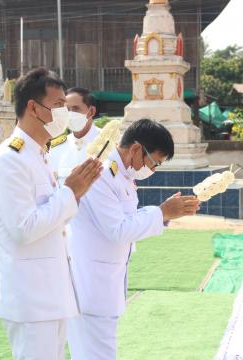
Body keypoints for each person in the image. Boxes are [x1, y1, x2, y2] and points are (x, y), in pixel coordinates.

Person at [0, 67, 103, 360]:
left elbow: (54, 220)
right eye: (58, 105)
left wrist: (73, 193)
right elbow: (24, 229)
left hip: (50, 293)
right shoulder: (9, 160)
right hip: (29, 297)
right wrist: (70, 192)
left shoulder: (40, 155)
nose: (64, 113)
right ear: (33, 108)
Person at [67, 119, 200, 360]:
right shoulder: (103, 175)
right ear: (137, 149)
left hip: (108, 281)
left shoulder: (123, 176)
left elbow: (126, 220)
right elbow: (117, 230)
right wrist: (162, 212)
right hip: (92, 285)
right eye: (154, 162)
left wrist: (164, 214)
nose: (152, 169)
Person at [50, 87, 100, 184]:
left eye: (76, 109)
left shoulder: (109, 143)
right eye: (67, 110)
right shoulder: (56, 148)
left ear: (91, 112)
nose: (70, 114)